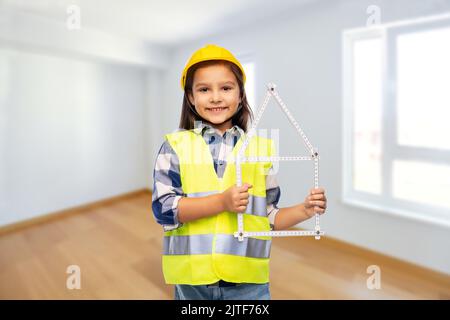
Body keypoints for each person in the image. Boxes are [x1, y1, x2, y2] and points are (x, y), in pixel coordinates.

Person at [151, 44, 327, 300]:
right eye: (204, 89)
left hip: (248, 284)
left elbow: (268, 216)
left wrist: (305, 210)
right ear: (190, 97)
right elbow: (164, 209)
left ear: (240, 94)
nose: (215, 97)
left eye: (226, 88)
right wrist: (222, 202)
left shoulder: (260, 149)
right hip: (193, 281)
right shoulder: (175, 145)